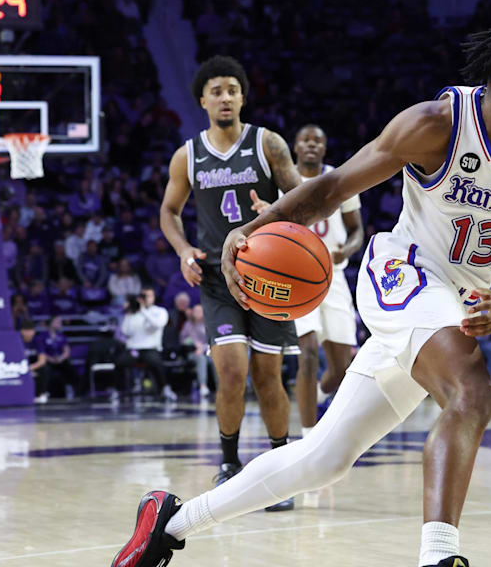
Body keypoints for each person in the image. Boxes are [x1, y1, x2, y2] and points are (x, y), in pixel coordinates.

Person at [112, 23, 491, 567]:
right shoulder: (435, 124)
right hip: (404, 274)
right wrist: (255, 227)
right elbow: (334, 189)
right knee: (473, 394)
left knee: (325, 459)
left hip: (458, 304)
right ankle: (440, 557)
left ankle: (169, 521)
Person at [154, 55, 303, 509]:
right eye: (216, 90)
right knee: (233, 371)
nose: (225, 97)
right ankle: (229, 464)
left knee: (267, 375)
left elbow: (301, 194)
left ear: (242, 97)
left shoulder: (268, 144)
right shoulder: (189, 154)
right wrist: (182, 250)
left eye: (232, 90)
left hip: (269, 274)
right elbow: (168, 212)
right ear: (203, 100)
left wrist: (274, 213)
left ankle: (279, 470)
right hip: (219, 277)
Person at [289, 124, 364, 433]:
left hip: (332, 277)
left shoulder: (339, 179)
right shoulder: (282, 180)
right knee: (306, 356)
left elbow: (357, 230)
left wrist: (345, 251)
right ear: (295, 146)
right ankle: (307, 437)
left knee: (343, 369)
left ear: (324, 147)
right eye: (305, 140)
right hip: (294, 278)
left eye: (317, 141)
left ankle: (318, 393)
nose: (310, 145)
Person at [115, 286, 175, 402]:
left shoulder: (159, 311)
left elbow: (157, 325)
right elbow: (125, 331)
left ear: (153, 297)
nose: (145, 299)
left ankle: (164, 388)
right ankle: (118, 391)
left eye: (148, 296)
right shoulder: (133, 313)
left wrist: (143, 310)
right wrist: (129, 312)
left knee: (155, 362)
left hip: (151, 348)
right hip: (134, 349)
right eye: (143, 296)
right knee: (119, 363)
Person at [20, 319, 49, 404]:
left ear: (34, 331)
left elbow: (42, 361)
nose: (28, 333)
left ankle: (42, 394)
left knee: (45, 369)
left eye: (30, 330)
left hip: (33, 365)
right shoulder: (17, 340)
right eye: (26, 330)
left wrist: (30, 368)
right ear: (21, 331)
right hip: (19, 365)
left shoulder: (38, 340)